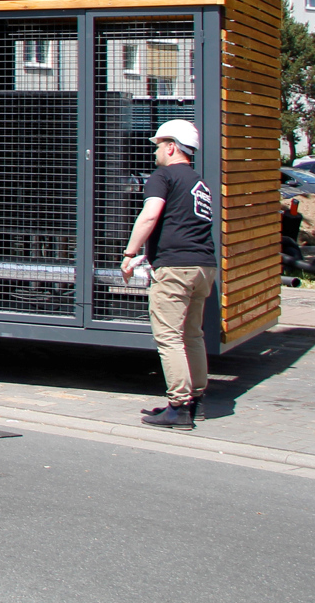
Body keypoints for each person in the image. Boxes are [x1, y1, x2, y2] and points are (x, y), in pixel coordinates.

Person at [120, 118, 215, 430]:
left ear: (172, 147)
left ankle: (178, 406)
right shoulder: (198, 181)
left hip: (175, 267)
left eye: (159, 145)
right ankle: (196, 401)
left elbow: (150, 215)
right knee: (193, 334)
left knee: (169, 336)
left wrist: (130, 253)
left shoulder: (163, 176)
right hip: (204, 266)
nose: (156, 152)